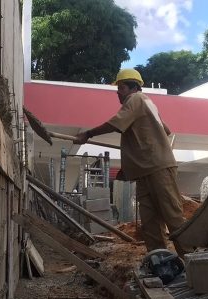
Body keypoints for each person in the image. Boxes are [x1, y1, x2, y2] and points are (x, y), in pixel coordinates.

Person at [74, 68, 189, 255]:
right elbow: (165, 130)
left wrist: (87, 134)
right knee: (150, 222)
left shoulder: (135, 100)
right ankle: (159, 261)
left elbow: (116, 123)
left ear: (131, 87)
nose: (117, 92)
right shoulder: (148, 104)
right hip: (146, 170)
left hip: (158, 167)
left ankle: (192, 260)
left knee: (173, 216)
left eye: (120, 87)